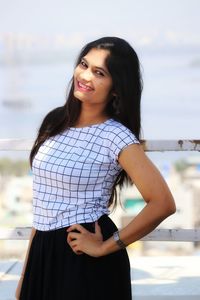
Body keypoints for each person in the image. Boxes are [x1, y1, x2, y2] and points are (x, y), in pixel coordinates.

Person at [15, 36, 176, 300]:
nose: (85, 76)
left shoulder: (116, 136)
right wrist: (26, 276)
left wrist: (104, 247)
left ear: (116, 88)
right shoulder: (55, 121)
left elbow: (163, 203)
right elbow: (43, 204)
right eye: (84, 64)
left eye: (99, 73)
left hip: (84, 258)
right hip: (43, 254)